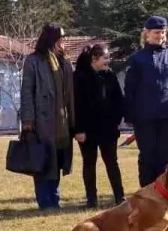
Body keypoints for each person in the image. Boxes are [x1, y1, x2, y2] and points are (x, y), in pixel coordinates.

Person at [125, 15, 168, 187]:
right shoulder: (137, 58)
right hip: (144, 116)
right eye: (156, 32)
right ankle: (146, 191)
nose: (160, 35)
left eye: (163, 32)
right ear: (147, 33)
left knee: (164, 156)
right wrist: (129, 114)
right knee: (147, 155)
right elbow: (129, 88)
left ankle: (162, 191)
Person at [20, 24, 76, 211]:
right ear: (51, 38)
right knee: (43, 160)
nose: (64, 40)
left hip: (62, 120)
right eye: (61, 37)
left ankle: (54, 199)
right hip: (42, 120)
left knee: (57, 160)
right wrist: (28, 120)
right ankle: (45, 201)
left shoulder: (63, 61)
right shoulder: (33, 61)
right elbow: (27, 91)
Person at [73, 43, 126, 208]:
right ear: (94, 59)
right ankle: (91, 199)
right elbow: (75, 105)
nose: (108, 61)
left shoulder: (110, 75)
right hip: (87, 130)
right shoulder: (79, 77)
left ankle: (120, 197)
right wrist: (79, 130)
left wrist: (116, 120)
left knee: (112, 162)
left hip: (108, 129)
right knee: (89, 163)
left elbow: (118, 99)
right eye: (105, 58)